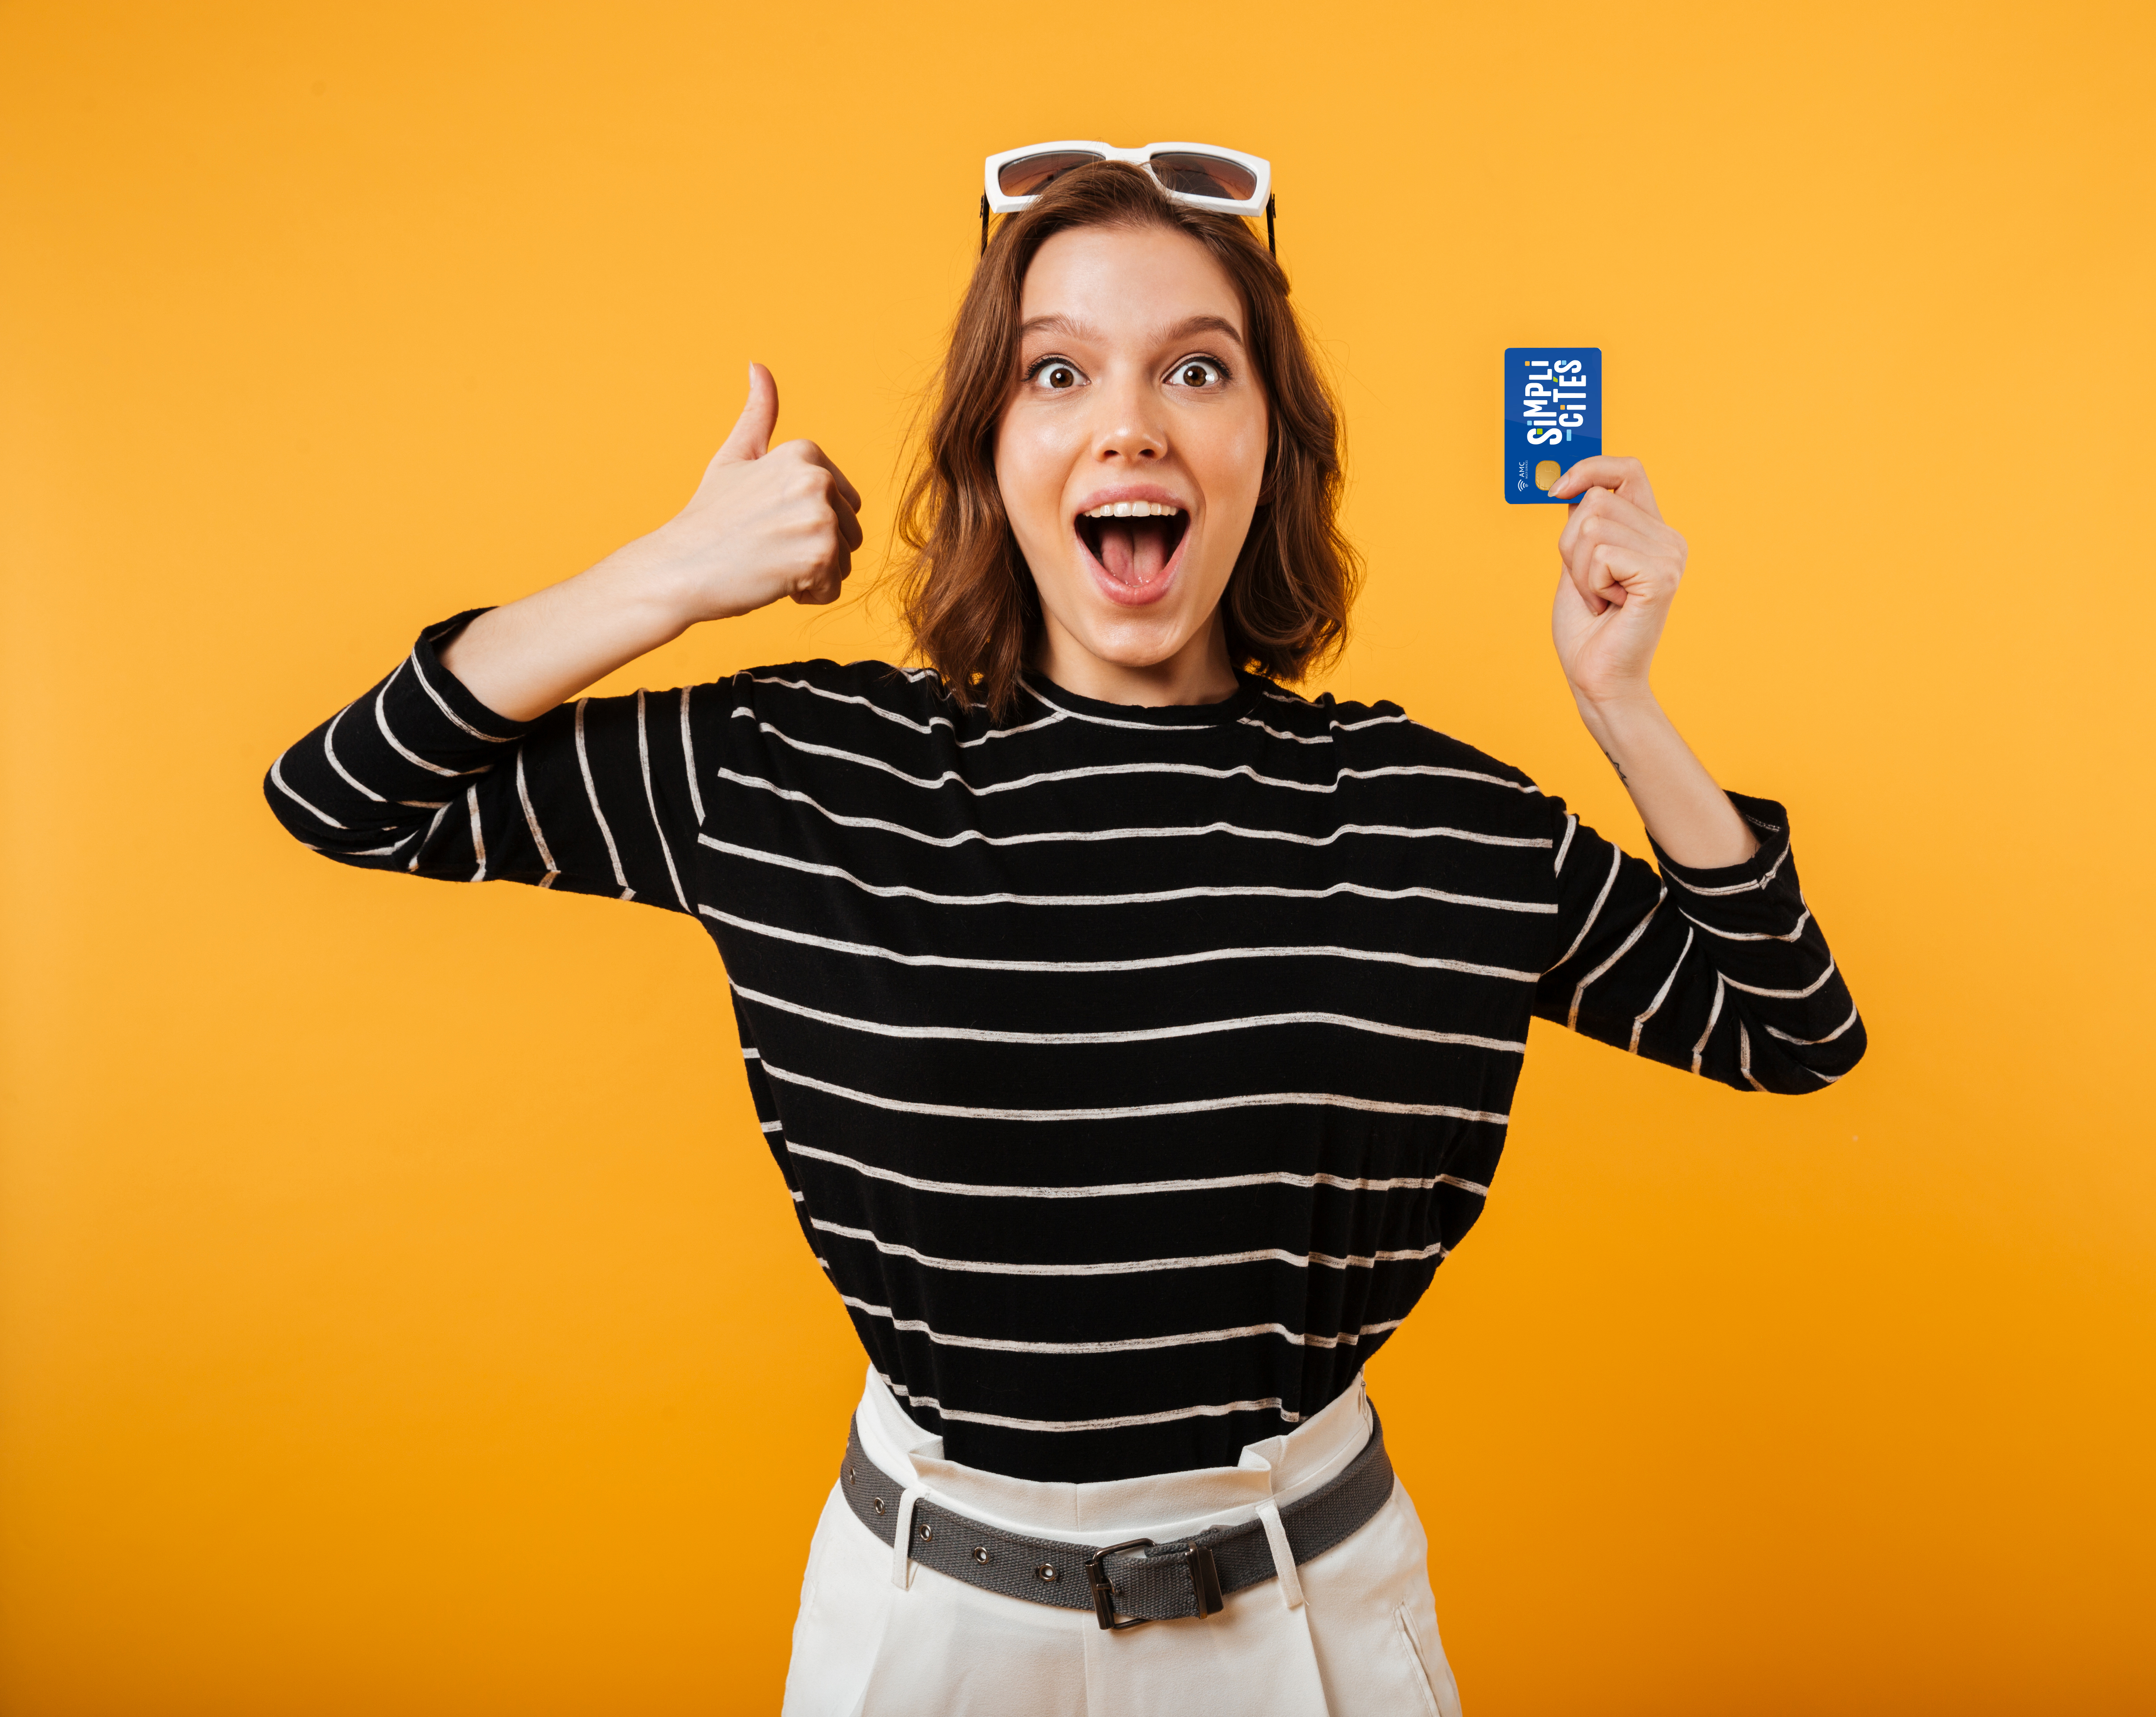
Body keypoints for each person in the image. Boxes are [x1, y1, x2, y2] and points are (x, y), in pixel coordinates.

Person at [263, 156, 1864, 1716]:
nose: (1129, 424)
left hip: (1304, 1632)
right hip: (928, 1635)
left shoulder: (1427, 818)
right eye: (1056, 373)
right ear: (989, 450)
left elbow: (1791, 1030)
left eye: (1196, 368)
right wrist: (668, 577)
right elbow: (349, 792)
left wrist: (1624, 707)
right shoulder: (805, 774)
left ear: (1274, 448)